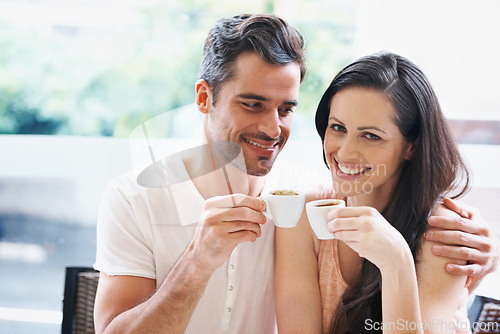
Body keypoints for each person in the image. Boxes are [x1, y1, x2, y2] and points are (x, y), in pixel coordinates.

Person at [93, 14, 498, 334]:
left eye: (286, 109)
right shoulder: (134, 198)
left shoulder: (302, 199)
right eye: (252, 104)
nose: (272, 128)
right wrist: (198, 261)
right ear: (204, 97)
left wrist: (480, 254)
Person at [275, 51, 499, 334]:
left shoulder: (442, 232)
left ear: (411, 146)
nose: (344, 152)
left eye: (371, 136)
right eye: (338, 128)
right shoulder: (306, 214)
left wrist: (396, 262)